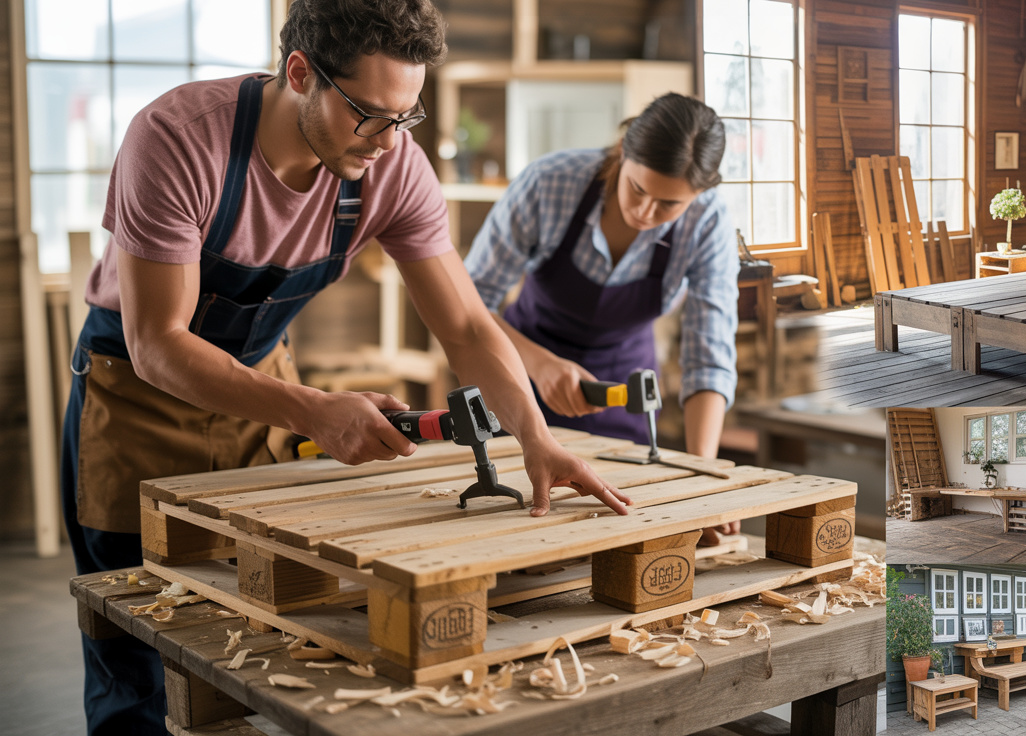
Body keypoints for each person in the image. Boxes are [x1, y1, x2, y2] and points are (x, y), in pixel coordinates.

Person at [62, 1, 629, 733]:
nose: (391, 143)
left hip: (259, 386)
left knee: (259, 624)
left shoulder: (390, 165)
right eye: (370, 115)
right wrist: (312, 410)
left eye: (408, 116)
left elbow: (463, 324)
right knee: (129, 638)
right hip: (134, 395)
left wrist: (536, 438)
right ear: (301, 74)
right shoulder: (177, 138)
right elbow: (159, 343)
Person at [464, 95, 740, 548]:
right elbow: (470, 302)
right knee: (517, 533)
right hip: (515, 376)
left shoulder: (708, 222)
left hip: (620, 395)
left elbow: (708, 356)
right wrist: (539, 364)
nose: (645, 213)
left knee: (615, 533)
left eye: (668, 204)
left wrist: (700, 479)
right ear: (621, 153)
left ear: (699, 195)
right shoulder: (550, 181)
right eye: (637, 189)